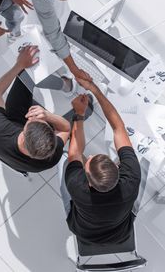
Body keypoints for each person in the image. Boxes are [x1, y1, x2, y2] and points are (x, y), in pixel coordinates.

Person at [58, 79, 141, 246]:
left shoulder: (76, 186)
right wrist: (96, 91)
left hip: (83, 231)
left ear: (87, 183)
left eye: (87, 162)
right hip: (121, 232)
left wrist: (79, 114)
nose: (88, 157)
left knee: (65, 159)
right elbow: (118, 127)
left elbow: (75, 152)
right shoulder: (132, 177)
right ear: (117, 167)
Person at [0, 45, 73, 173]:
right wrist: (47, 115)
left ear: (23, 134)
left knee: (26, 72)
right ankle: (66, 85)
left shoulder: (1, 131)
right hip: (15, 131)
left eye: (32, 118)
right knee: (30, 73)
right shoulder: (51, 156)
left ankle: (63, 83)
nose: (34, 115)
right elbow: (65, 128)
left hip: (13, 119)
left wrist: (19, 65)